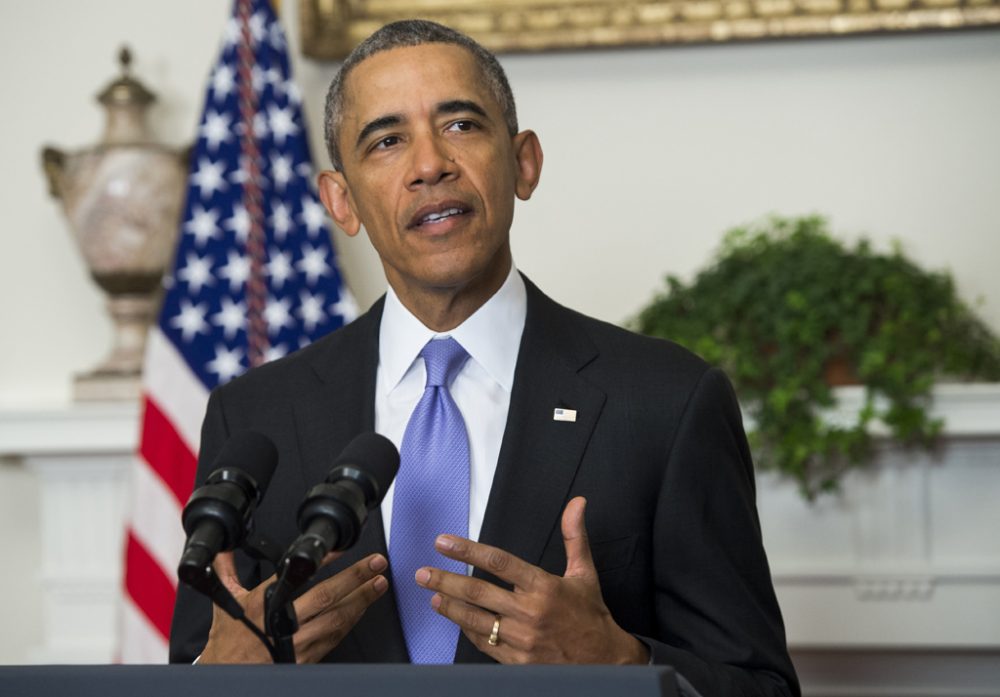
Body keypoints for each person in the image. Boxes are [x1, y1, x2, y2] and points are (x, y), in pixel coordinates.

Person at [169, 19, 800, 696]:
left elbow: (761, 685)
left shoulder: (667, 402)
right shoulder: (255, 414)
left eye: (462, 125)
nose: (430, 164)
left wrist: (621, 662)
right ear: (341, 201)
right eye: (386, 140)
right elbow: (195, 667)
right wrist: (217, 677)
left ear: (523, 162)